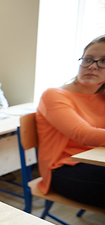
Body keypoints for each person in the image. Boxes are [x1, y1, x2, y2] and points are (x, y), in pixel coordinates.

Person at [36, 35, 105, 207]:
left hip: (96, 160)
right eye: (88, 59)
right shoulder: (54, 94)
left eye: (103, 61)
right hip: (63, 167)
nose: (92, 66)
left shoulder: (101, 96)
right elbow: (83, 134)